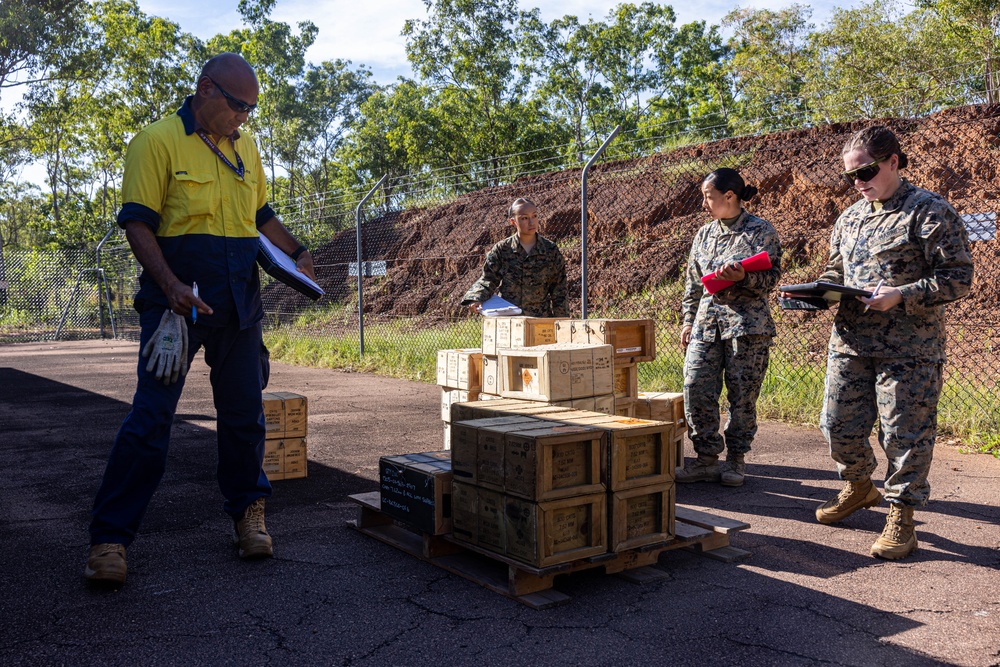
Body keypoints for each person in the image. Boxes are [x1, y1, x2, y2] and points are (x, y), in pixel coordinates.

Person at [84, 53, 317, 585]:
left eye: (252, 110)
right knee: (151, 420)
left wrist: (297, 251)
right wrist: (169, 286)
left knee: (243, 418)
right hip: (176, 308)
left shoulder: (247, 148)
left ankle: (248, 517)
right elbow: (138, 224)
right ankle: (110, 539)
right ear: (206, 90)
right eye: (239, 106)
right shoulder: (157, 141)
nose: (246, 118)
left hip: (239, 306)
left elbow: (260, 216)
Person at [795, 126, 972, 559]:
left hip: (909, 348)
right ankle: (859, 487)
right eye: (850, 177)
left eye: (867, 171)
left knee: (904, 434)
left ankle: (902, 517)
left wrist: (902, 295)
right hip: (851, 341)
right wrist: (815, 294)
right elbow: (836, 271)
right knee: (836, 425)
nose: (858, 182)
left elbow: (958, 278)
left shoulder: (927, 210)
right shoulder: (851, 216)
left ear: (893, 161)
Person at [677, 168, 782, 487]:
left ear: (730, 196)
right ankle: (706, 458)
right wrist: (687, 319)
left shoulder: (760, 230)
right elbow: (693, 283)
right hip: (706, 326)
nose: (704, 203)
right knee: (695, 386)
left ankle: (736, 460)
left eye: (709, 197)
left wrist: (744, 277)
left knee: (742, 397)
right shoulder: (704, 234)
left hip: (747, 326)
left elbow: (772, 277)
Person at [461, 198, 569, 317]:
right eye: (524, 218)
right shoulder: (502, 250)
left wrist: (562, 324)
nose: (531, 222)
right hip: (508, 320)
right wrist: (475, 298)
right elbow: (488, 279)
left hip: (539, 320)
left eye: (534, 216)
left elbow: (559, 291)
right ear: (513, 222)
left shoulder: (550, 250)